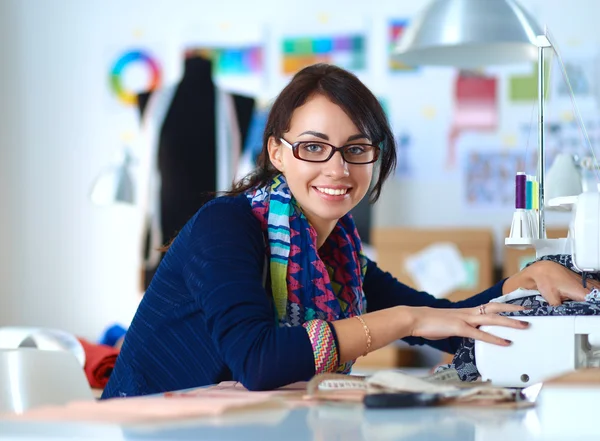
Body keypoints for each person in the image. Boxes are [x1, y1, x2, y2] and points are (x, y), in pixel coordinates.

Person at [102, 64, 597, 398]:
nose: (337, 169)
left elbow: (449, 323)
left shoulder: (338, 260)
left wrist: (524, 283)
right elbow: (259, 362)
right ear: (277, 152)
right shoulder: (225, 227)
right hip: (149, 429)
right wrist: (404, 320)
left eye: (357, 148)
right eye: (314, 147)